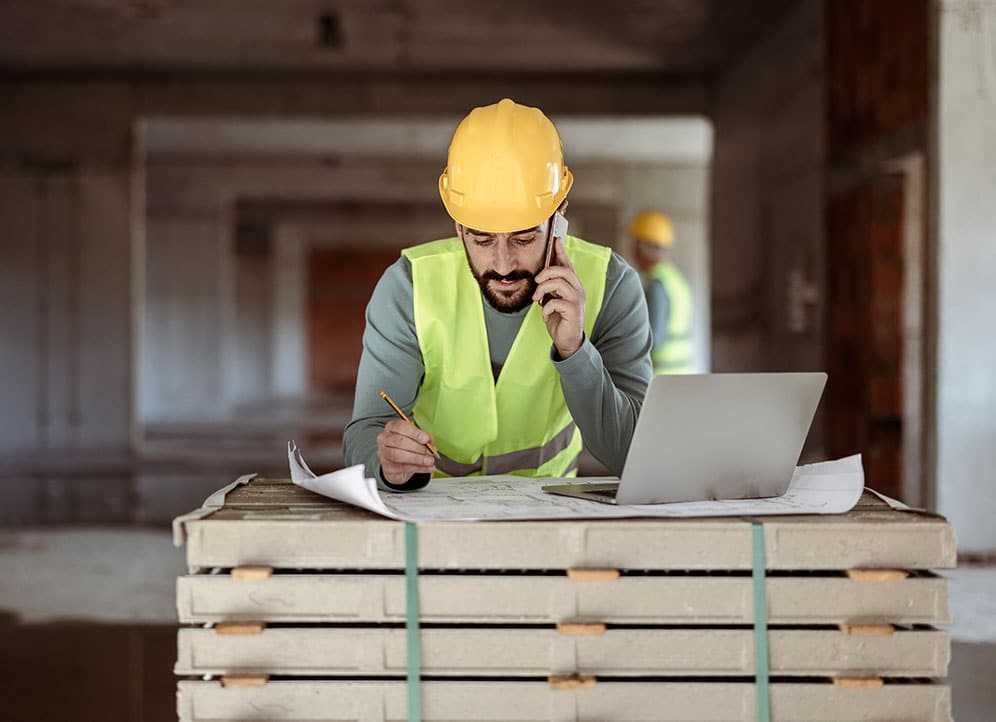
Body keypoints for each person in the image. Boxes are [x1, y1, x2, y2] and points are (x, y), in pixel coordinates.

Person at [343, 98, 652, 490]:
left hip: (548, 516)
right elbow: (362, 433)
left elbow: (636, 456)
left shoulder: (612, 287)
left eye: (524, 238)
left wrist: (576, 352)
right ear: (458, 227)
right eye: (482, 238)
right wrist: (385, 463)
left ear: (559, 219)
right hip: (432, 515)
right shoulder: (408, 288)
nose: (503, 265)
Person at [628, 210, 694, 374]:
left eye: (635, 243)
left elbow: (653, 338)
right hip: (681, 375)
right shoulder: (675, 279)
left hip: (663, 379)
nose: (632, 250)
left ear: (643, 246)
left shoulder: (657, 283)